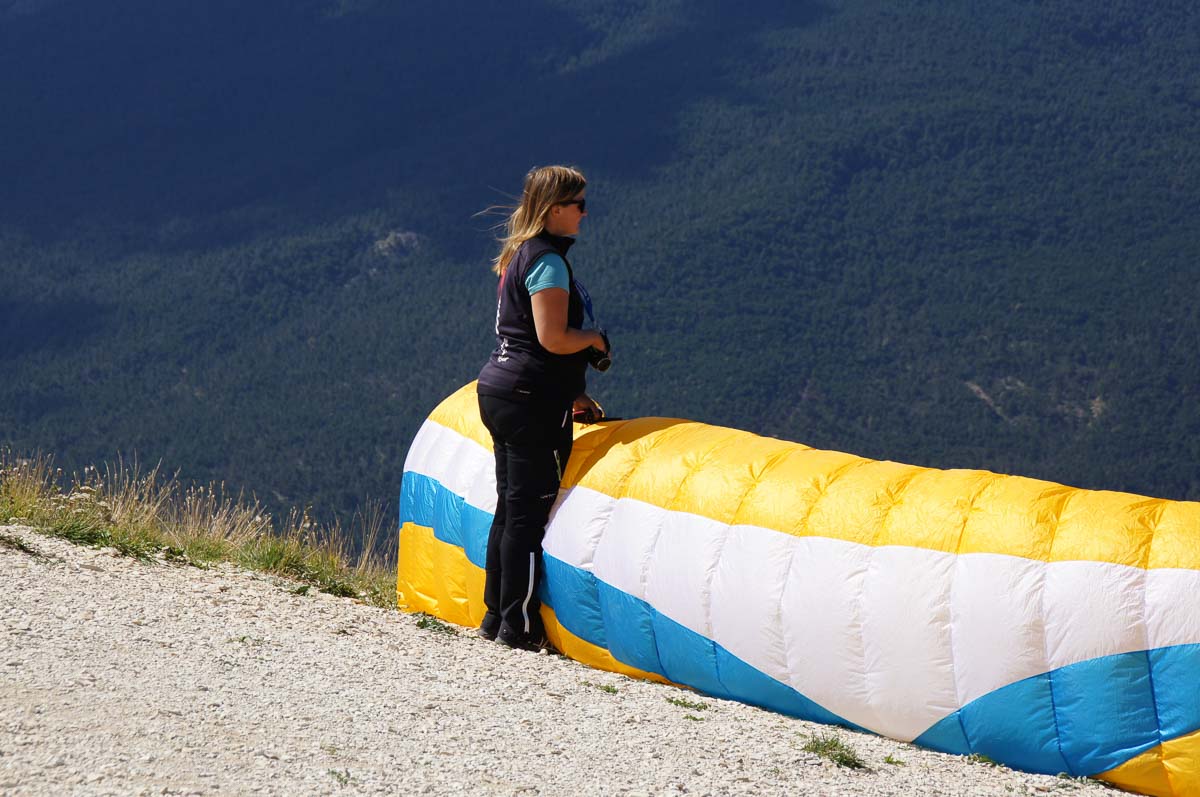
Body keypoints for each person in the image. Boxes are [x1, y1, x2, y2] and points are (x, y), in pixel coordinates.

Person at [475, 165, 609, 652]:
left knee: (509, 507)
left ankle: (495, 615)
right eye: (578, 204)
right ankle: (520, 626)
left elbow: (526, 337)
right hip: (531, 401)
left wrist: (573, 393)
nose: (584, 213)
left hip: (499, 389)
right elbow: (552, 339)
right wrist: (594, 339)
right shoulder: (548, 262)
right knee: (528, 515)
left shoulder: (519, 254)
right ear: (554, 210)